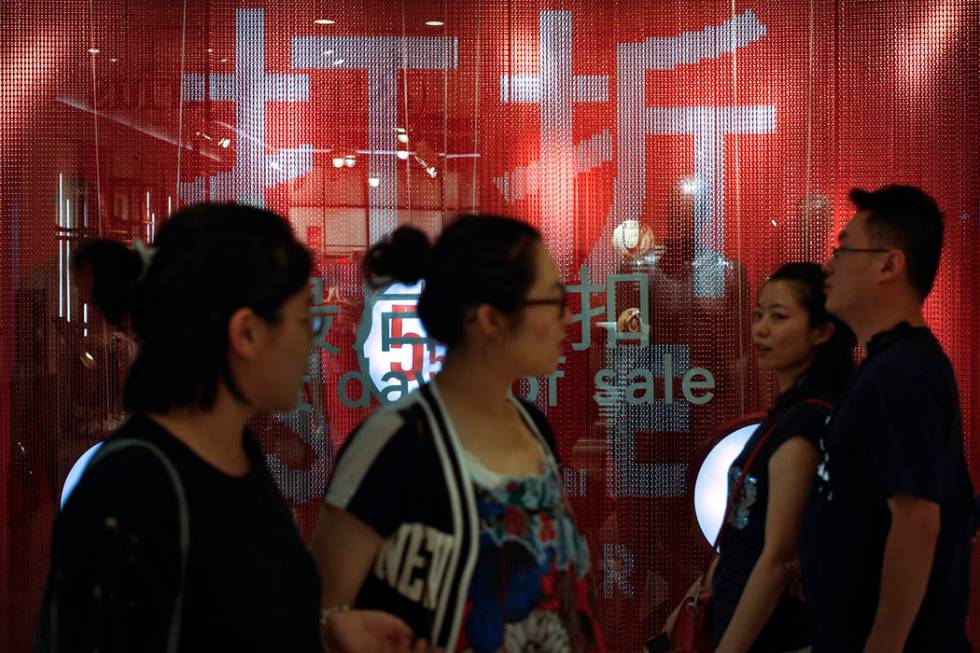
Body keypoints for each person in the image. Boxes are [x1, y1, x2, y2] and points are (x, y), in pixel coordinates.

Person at [35, 203, 421, 652]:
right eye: (304, 319)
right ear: (247, 333)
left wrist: (325, 633)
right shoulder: (133, 486)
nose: (314, 340)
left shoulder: (238, 460)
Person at [312, 215, 606, 652]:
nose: (569, 316)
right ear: (491, 319)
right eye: (554, 300)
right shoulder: (394, 442)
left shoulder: (533, 427)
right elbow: (322, 611)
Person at [801, 186, 976, 652]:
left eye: (843, 249)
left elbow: (917, 521)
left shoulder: (903, 373)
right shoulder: (886, 365)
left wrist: (883, 644)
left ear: (889, 264)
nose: (828, 266)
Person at [708, 263, 855, 653]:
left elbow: (778, 558)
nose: (760, 329)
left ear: (822, 331)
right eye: (758, 315)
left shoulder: (806, 423)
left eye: (778, 317)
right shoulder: (786, 416)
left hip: (773, 635)